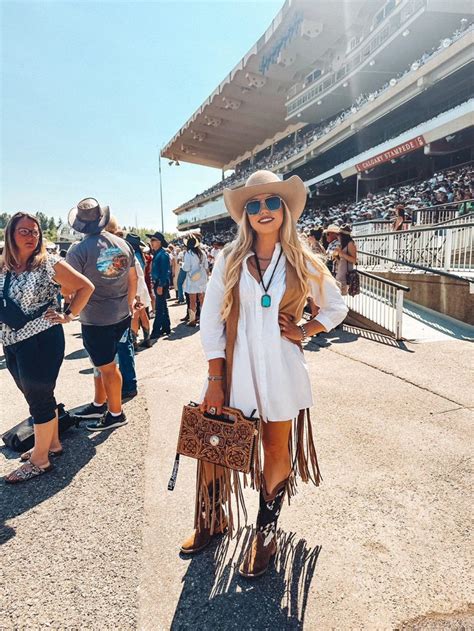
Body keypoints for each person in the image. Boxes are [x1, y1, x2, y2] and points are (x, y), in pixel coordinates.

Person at [180, 170, 348, 578]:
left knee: (275, 449)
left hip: (282, 371)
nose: (263, 210)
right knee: (217, 444)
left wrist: (307, 329)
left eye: (272, 201)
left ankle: (266, 535)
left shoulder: (303, 260)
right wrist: (215, 377)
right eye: (253, 205)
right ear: (246, 216)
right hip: (233, 369)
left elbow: (336, 306)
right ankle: (212, 518)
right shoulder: (229, 258)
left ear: (285, 209)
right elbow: (211, 322)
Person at [1, 212, 94, 483]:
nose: (32, 236)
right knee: (38, 396)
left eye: (35, 231)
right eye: (24, 231)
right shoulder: (4, 266)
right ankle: (51, 444)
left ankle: (40, 460)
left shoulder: (48, 263)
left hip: (42, 340)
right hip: (12, 341)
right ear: (11, 235)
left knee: (39, 399)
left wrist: (68, 315)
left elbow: (85, 287)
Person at [66, 198, 137, 431]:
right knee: (101, 363)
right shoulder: (123, 244)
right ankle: (100, 402)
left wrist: (69, 305)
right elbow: (132, 279)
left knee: (107, 366)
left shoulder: (78, 251)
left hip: (96, 319)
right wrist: (128, 305)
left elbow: (69, 288)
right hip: (120, 313)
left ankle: (116, 413)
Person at [125, 233, 152, 349]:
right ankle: (147, 339)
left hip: (135, 288)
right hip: (141, 286)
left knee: (135, 316)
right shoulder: (139, 254)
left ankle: (134, 341)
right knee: (142, 313)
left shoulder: (131, 255)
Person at [147, 231, 171, 340]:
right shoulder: (158, 253)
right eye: (151, 240)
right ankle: (166, 327)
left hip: (162, 283)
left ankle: (156, 331)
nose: (151, 242)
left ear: (159, 242)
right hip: (159, 282)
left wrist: (160, 285)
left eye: (153, 240)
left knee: (159, 307)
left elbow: (165, 271)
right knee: (163, 306)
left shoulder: (163, 254)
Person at [181, 235, 208, 327]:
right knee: (202, 299)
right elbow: (206, 266)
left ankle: (192, 320)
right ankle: (204, 319)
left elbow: (186, 268)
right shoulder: (202, 253)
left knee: (193, 300)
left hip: (193, 279)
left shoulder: (188, 254)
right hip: (202, 277)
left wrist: (182, 264)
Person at [333, 224, 358, 296]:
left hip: (345, 276)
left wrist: (341, 253)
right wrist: (336, 256)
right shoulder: (341, 244)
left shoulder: (350, 244)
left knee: (340, 297)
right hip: (339, 274)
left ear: (343, 235)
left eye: (338, 234)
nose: (337, 236)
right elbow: (341, 260)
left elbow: (354, 260)